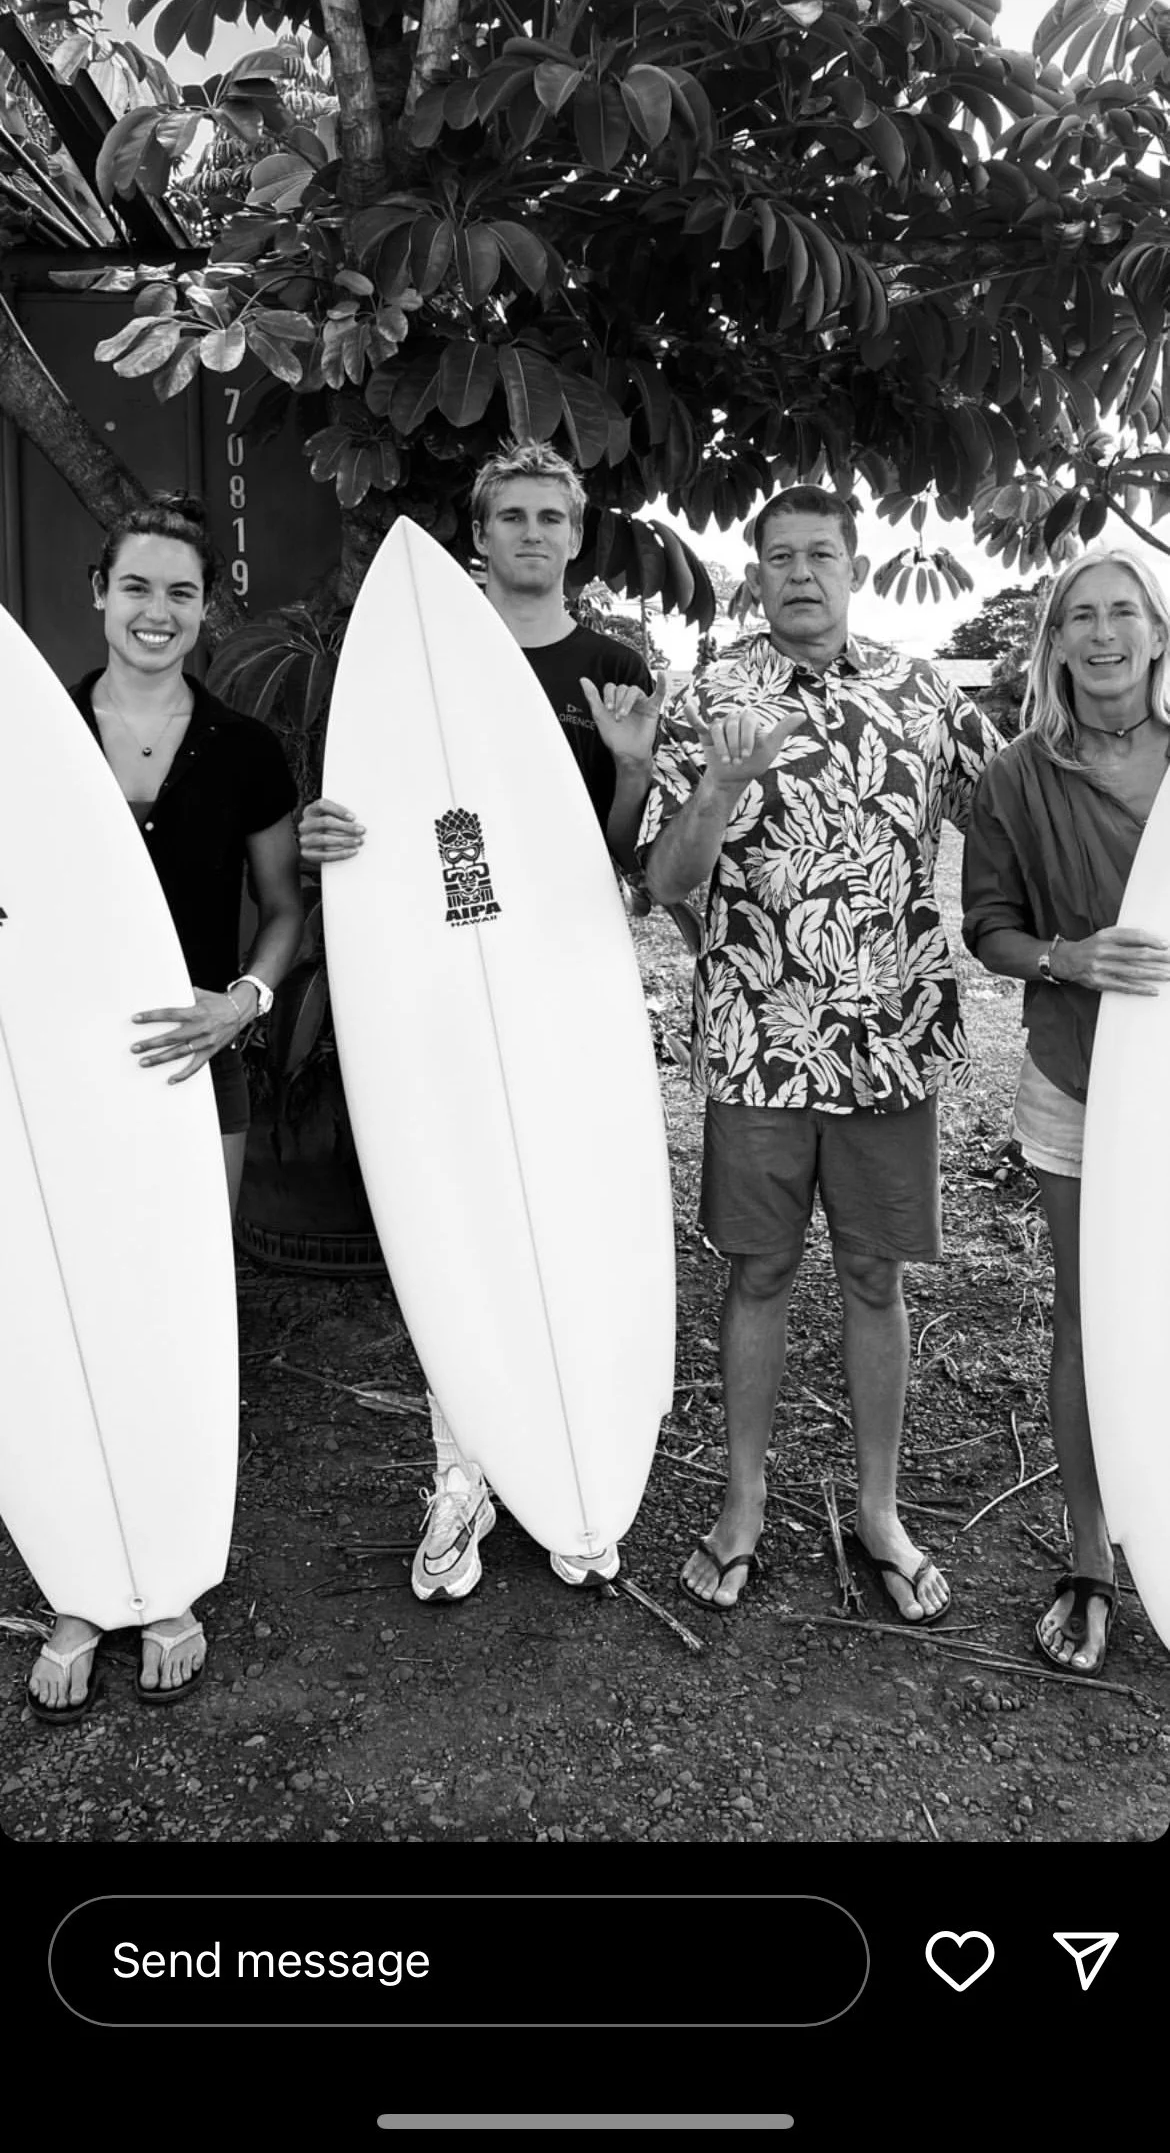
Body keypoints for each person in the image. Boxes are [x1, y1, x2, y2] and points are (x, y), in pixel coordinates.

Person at [300, 438, 666, 1599]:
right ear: (483, 531)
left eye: (551, 517)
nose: (532, 534)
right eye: (512, 516)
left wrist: (631, 772)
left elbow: (617, 866)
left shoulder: (610, 667)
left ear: (577, 534)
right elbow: (379, 832)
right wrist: (328, 836)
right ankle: (462, 1472)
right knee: (453, 1210)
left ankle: (573, 1454)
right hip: (436, 993)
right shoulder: (413, 662)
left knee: (571, 1206)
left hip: (566, 993)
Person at [639, 482, 1001, 1617]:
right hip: (758, 1039)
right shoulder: (711, 697)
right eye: (781, 557)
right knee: (757, 1271)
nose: (802, 573)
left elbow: (1013, 814)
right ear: (756, 575)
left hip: (890, 1039)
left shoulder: (923, 694)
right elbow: (666, 880)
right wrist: (720, 785)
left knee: (874, 1276)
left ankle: (880, 1511)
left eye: (822, 555)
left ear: (855, 567)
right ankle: (742, 1500)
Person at [26, 494, 303, 1720]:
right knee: (61, 1304)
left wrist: (244, 1002)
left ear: (205, 610)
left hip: (198, 1060)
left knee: (182, 1303)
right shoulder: (35, 736)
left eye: (181, 593)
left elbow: (284, 911)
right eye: (136, 586)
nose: (157, 612)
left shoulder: (245, 749)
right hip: (52, 1070)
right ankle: (83, 1584)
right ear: (100, 592)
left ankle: (172, 1572)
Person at [962, 547, 1170, 1677]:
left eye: (1122, 612)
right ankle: (1093, 1561)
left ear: (1157, 632)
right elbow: (987, 926)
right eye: (1079, 616)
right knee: (1091, 1318)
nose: (1102, 634)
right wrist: (1067, 958)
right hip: (1077, 1078)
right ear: (1054, 643)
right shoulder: (1016, 777)